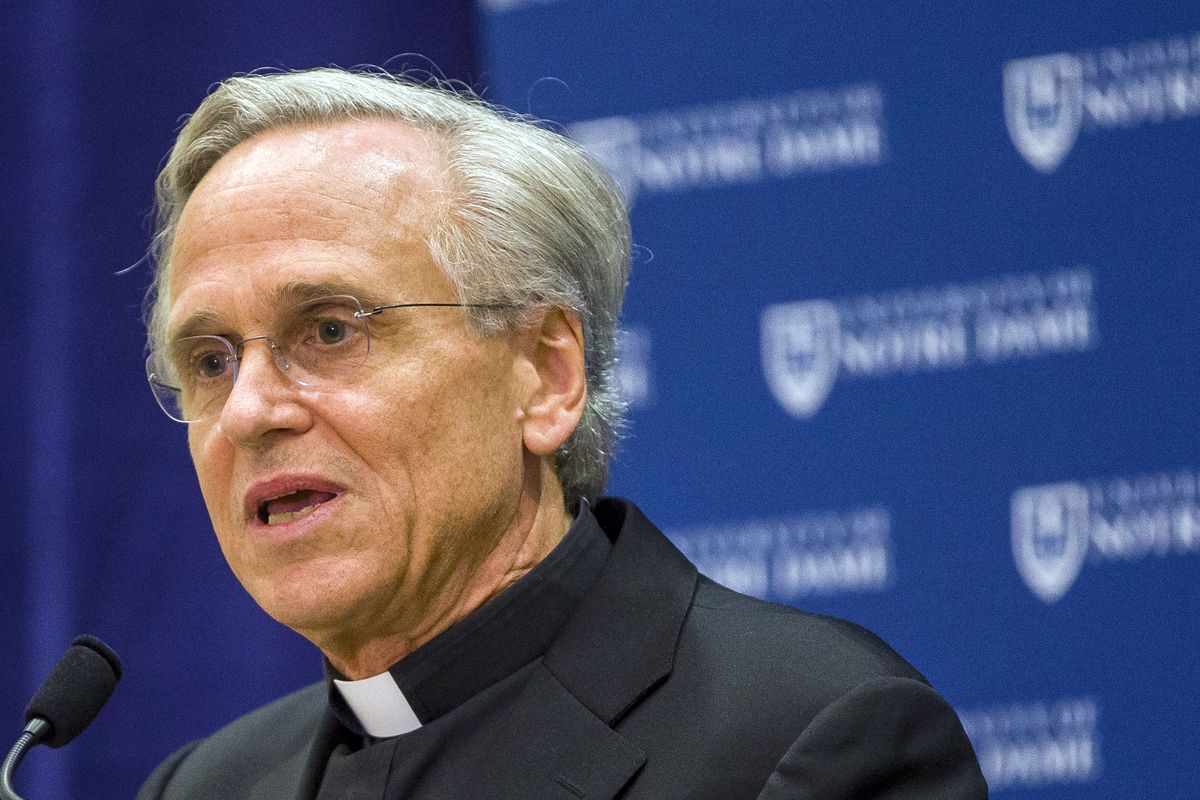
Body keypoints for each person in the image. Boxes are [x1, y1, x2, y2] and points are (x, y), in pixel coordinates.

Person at [136, 67, 987, 799]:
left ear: (546, 375)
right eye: (210, 361)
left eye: (329, 331)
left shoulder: (802, 735)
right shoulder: (204, 785)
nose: (250, 411)